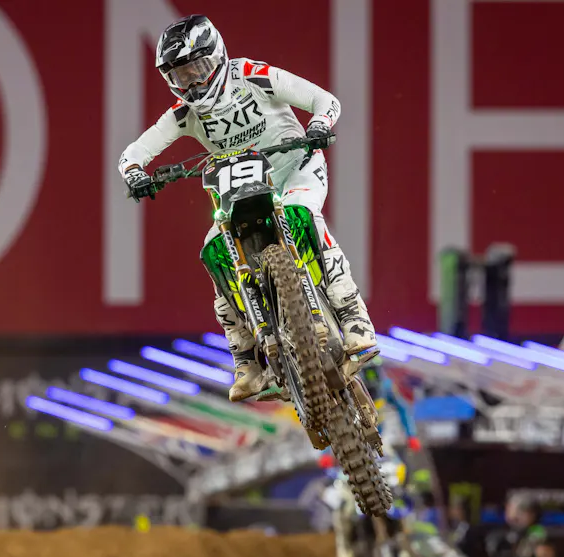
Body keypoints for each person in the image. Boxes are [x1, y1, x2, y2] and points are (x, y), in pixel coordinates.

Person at [118, 14, 379, 402]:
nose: (192, 82)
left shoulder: (253, 76)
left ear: (217, 56)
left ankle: (354, 317)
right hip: (238, 190)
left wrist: (319, 125)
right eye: (181, 76)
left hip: (295, 167)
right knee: (214, 253)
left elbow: (324, 99)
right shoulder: (184, 113)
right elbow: (133, 152)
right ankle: (246, 360)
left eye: (197, 69)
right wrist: (135, 173)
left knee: (306, 216)